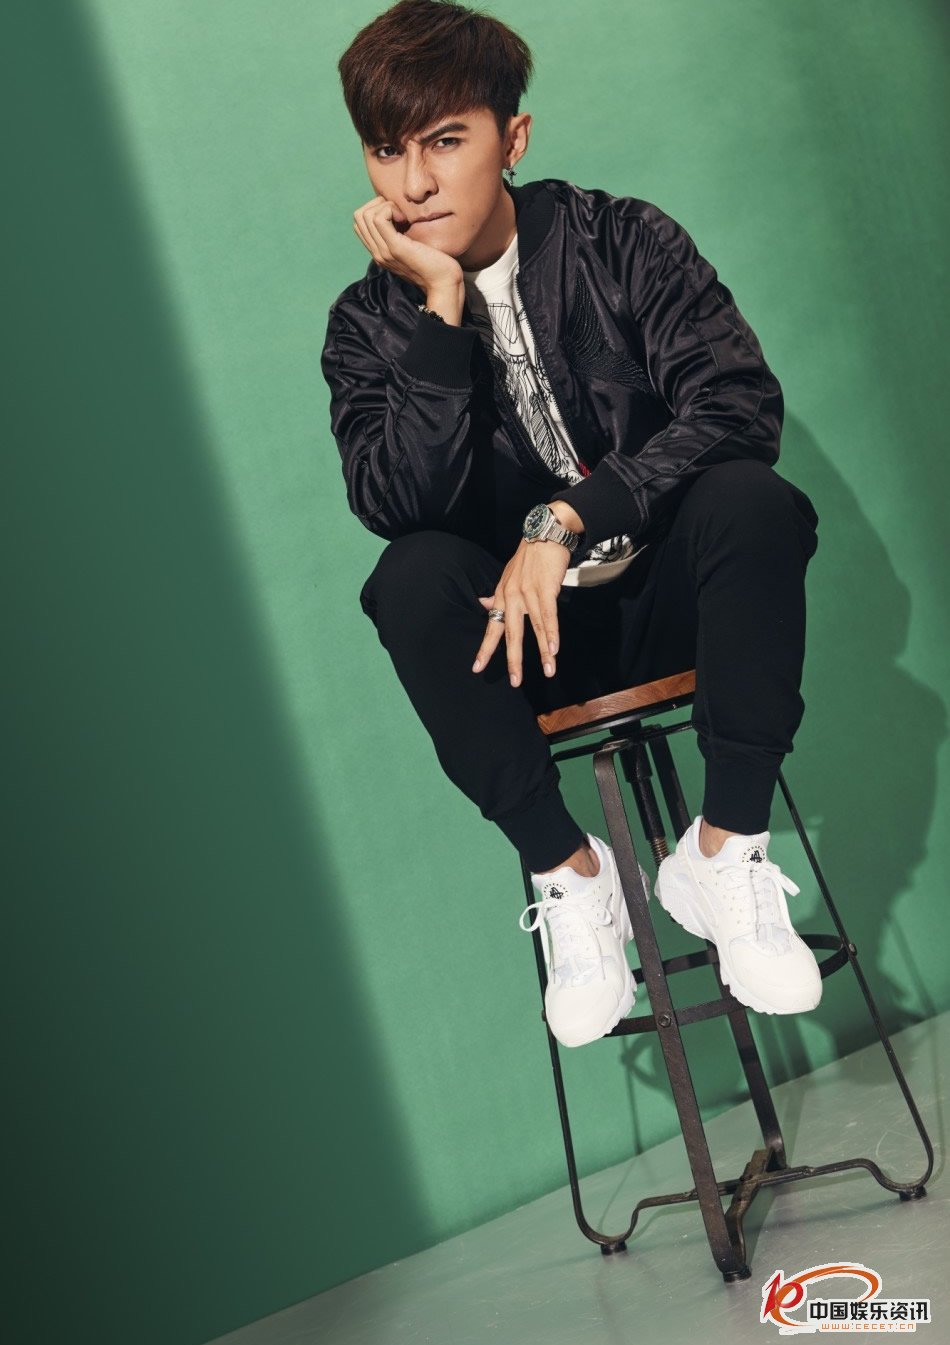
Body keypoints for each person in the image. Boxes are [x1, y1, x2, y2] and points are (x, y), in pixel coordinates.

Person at [321, 0, 823, 1048]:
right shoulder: (368, 325)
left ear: (512, 138)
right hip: (522, 652)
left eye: (443, 142)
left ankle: (725, 848)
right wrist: (438, 312)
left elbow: (737, 407)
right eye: (385, 151)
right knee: (408, 574)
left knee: (749, 498)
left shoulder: (622, 239)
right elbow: (399, 504)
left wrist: (562, 519)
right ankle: (570, 874)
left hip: (672, 604)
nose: (412, 185)